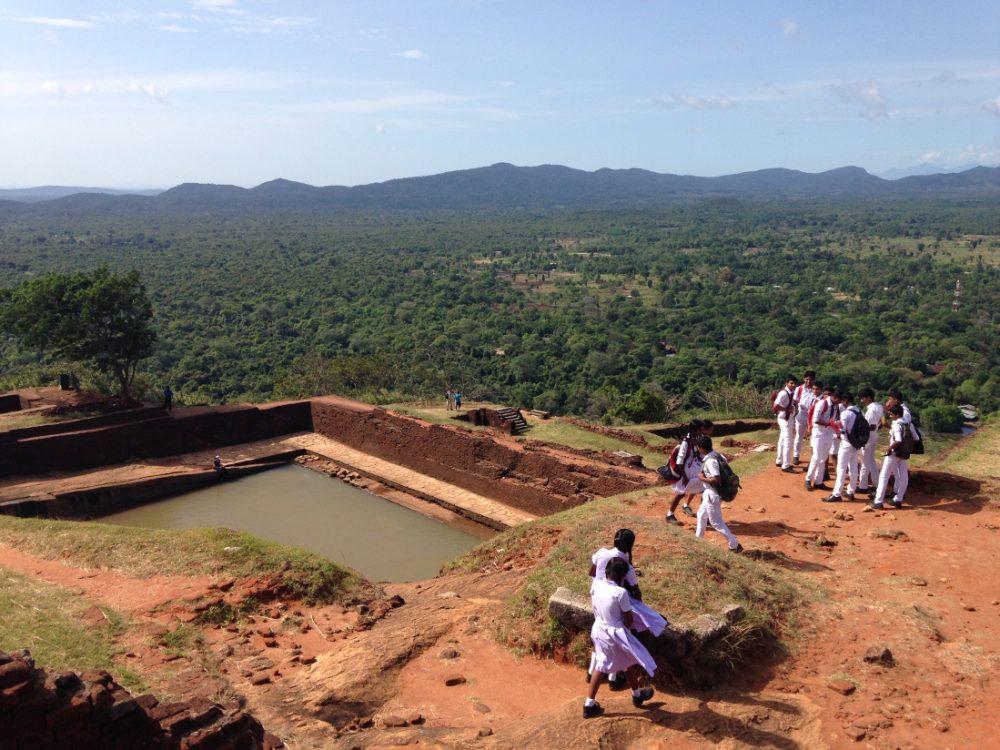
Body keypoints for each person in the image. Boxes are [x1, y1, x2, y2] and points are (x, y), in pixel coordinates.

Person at [587, 529, 668, 689]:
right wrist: (638, 608)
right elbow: (636, 592)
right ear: (631, 545)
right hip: (614, 601)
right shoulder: (626, 567)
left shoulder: (602, 553)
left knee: (602, 636)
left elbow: (591, 572)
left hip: (596, 595)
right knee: (622, 639)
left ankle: (595, 673)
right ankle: (614, 678)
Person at [583, 557, 657, 719]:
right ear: (623, 577)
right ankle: (588, 704)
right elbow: (628, 618)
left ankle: (637, 694)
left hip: (599, 628)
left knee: (627, 660)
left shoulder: (597, 585)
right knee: (603, 665)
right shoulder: (620, 593)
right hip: (614, 632)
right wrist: (631, 626)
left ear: (606, 571)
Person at [694, 436, 743, 553]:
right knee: (701, 515)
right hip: (712, 493)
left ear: (701, 448)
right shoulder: (718, 455)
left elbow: (716, 479)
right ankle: (697, 541)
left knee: (716, 522)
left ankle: (734, 545)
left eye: (698, 447)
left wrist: (701, 478)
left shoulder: (710, 461)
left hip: (713, 494)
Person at [869, 404, 909, 510]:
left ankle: (878, 501)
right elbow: (916, 437)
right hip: (904, 453)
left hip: (894, 453)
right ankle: (898, 499)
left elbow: (898, 440)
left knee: (884, 476)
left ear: (897, 414)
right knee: (904, 476)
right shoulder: (907, 424)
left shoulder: (896, 425)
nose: (889, 415)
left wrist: (889, 448)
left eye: (891, 413)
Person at [823, 391, 859, 502]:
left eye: (842, 401)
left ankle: (837, 494)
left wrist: (834, 425)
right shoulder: (858, 410)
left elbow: (842, 430)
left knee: (841, 468)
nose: (841, 403)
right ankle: (850, 492)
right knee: (853, 467)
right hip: (855, 442)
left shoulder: (845, 413)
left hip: (846, 442)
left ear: (846, 401)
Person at [666, 420, 704, 525]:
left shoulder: (695, 441)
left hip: (692, 472)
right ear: (694, 430)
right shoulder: (685, 443)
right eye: (700, 429)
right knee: (680, 494)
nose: (701, 431)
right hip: (685, 474)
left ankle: (702, 515)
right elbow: (679, 462)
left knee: (702, 490)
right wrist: (685, 476)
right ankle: (669, 515)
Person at [805, 385, 837, 492]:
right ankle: (808, 479)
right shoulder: (822, 403)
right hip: (819, 432)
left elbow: (832, 420)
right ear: (833, 396)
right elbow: (815, 420)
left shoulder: (835, 406)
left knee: (823, 458)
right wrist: (829, 424)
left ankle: (819, 481)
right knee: (817, 457)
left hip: (828, 433)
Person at [857, 388, 884, 495]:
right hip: (874, 434)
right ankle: (877, 484)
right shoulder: (879, 406)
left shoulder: (871, 409)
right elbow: (882, 421)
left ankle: (863, 485)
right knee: (871, 460)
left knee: (865, 460)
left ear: (868, 397)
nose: (861, 401)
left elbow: (870, 424)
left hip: (868, 434)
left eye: (862, 398)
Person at [773, 377, 797, 472]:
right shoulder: (783, 393)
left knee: (782, 439)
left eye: (794, 383)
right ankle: (786, 465)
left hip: (787, 418)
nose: (793, 385)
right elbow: (775, 406)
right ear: (786, 383)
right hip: (784, 419)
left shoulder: (791, 393)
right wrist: (787, 409)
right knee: (788, 441)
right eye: (791, 383)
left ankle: (779, 460)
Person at [792, 371, 817, 464]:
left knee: (813, 436)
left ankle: (813, 457)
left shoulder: (815, 390)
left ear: (814, 380)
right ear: (804, 379)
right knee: (799, 435)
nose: (809, 381)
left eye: (811, 379)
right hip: (801, 414)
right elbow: (795, 401)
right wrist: (796, 411)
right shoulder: (799, 389)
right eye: (807, 379)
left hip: (813, 415)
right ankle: (796, 456)